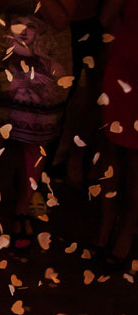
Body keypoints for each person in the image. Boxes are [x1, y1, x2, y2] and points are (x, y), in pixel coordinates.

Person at [0, 0, 76, 247]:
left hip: (47, 64)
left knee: (35, 145)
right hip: (3, 60)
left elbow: (60, 19)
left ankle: (21, 211)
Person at [93, 0, 137, 265]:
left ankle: (126, 230)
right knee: (110, 148)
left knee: (134, 159)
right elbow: (106, 18)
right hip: (121, 65)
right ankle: (106, 222)